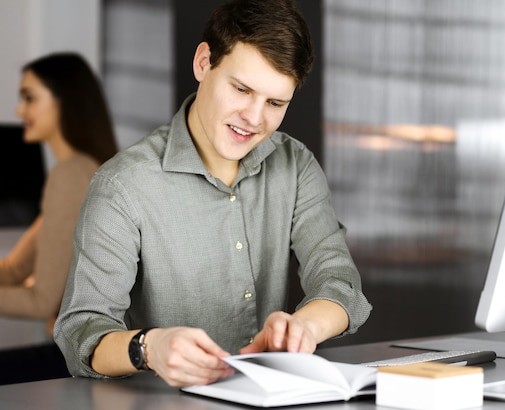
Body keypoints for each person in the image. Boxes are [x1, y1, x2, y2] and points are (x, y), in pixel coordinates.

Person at [54, 0, 372, 388]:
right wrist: (150, 347)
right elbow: (81, 331)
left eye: (275, 103)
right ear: (204, 63)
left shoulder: (295, 165)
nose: (254, 119)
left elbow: (338, 281)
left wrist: (301, 328)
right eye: (241, 89)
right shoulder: (122, 186)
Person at [0, 52, 118, 384]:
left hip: (80, 358)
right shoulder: (88, 168)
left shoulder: (70, 175)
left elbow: (42, 301)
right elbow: (15, 269)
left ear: (64, 101)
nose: (18, 111)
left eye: (29, 98)